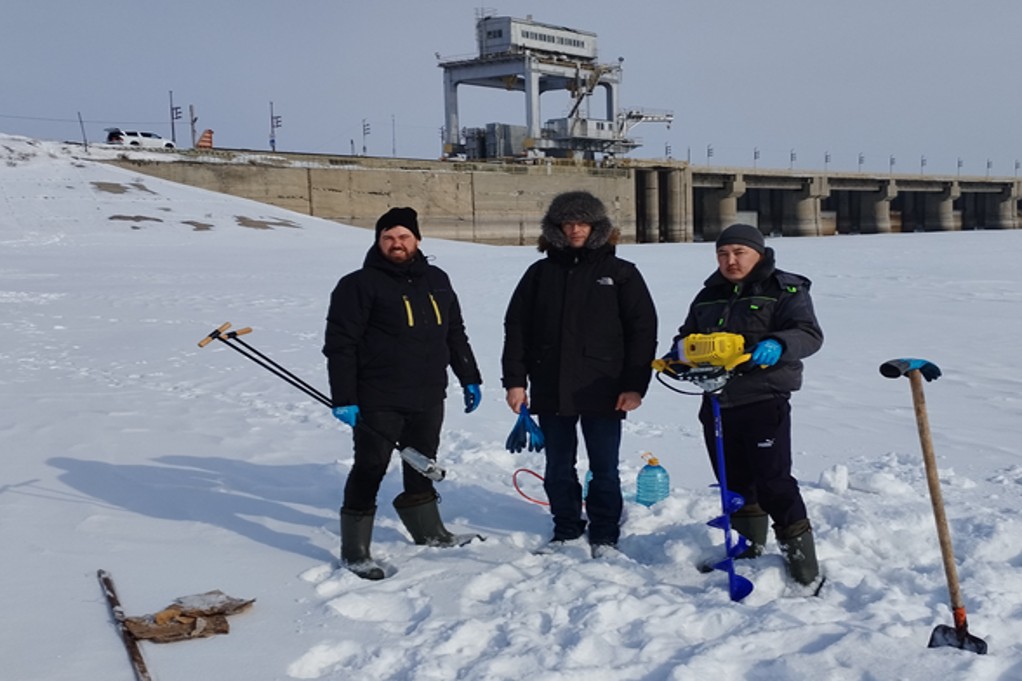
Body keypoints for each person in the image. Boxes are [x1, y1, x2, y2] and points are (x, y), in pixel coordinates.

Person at [323, 206, 483, 580]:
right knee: (370, 466)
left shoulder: (438, 279)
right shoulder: (358, 285)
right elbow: (340, 345)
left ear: (417, 241)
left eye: (403, 237)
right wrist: (344, 396)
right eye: (388, 237)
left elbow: (455, 332)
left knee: (422, 460)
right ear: (378, 242)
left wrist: (468, 376)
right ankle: (355, 550)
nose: (396, 244)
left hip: (429, 392)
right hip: (378, 395)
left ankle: (429, 531)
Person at [501, 191, 657, 557]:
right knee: (558, 464)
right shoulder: (539, 274)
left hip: (605, 387)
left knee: (604, 467)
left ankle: (604, 532)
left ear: (597, 226)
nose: (574, 230)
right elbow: (517, 328)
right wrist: (514, 382)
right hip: (551, 385)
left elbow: (643, 332)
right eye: (567, 223)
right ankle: (566, 528)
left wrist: (635, 386)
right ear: (555, 228)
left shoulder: (620, 274)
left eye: (582, 222)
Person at [669, 223, 823, 586]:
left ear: (758, 253)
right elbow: (686, 337)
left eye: (739, 253)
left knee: (774, 482)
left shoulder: (784, 288)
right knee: (734, 481)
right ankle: (747, 547)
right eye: (723, 254)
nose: (730, 260)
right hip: (718, 402)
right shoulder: (708, 295)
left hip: (763, 399)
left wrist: (779, 344)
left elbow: (809, 333)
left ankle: (803, 565)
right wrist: (677, 357)